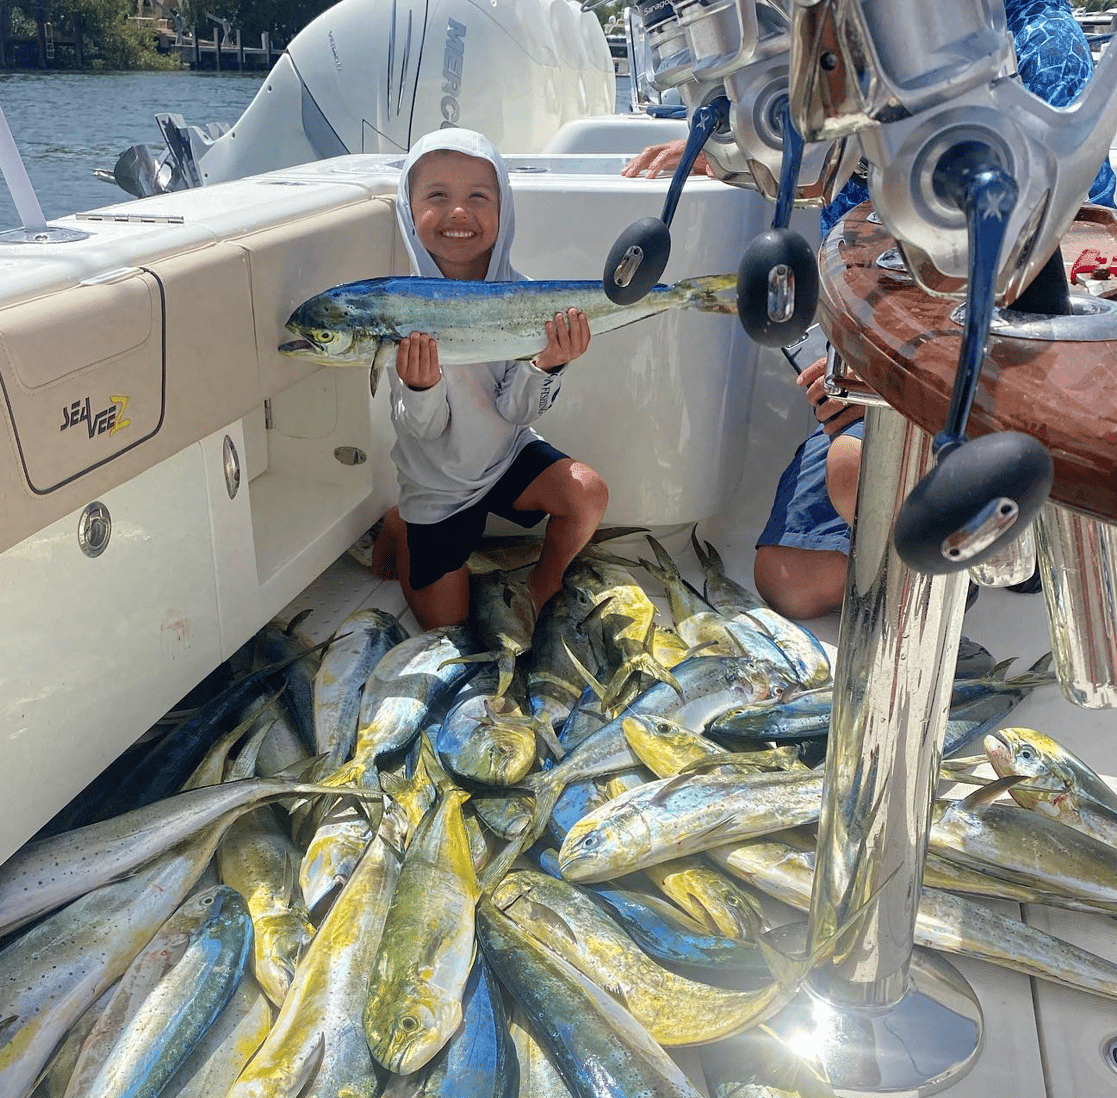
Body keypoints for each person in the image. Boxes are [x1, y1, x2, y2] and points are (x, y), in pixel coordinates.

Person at [623, 0, 1116, 618]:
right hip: (872, 331)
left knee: (855, 472)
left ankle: (1008, 540)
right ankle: (954, 531)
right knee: (791, 580)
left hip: (998, 351)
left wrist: (893, 373)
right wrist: (727, 151)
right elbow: (807, 147)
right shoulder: (844, 25)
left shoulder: (1041, 37)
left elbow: (1069, 231)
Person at [369, 129, 609, 630]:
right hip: (437, 481)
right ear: (408, 209)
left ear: (505, 209)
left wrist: (547, 366)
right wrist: (421, 388)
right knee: (449, 631)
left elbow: (515, 412)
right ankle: (401, 519)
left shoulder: (523, 298)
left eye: (478, 197)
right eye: (437, 197)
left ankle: (544, 585)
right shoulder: (399, 306)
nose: (458, 213)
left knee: (588, 493)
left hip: (505, 456)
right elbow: (424, 431)